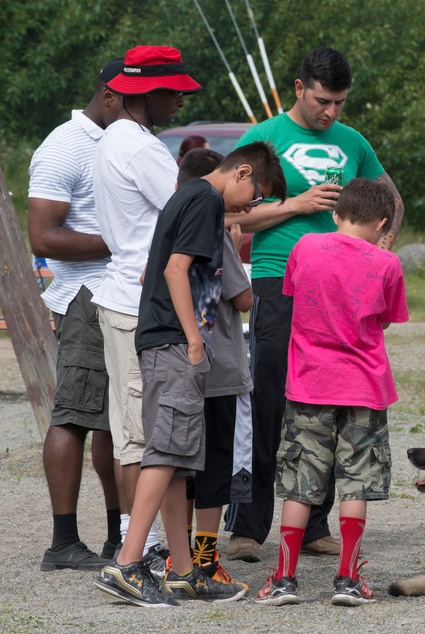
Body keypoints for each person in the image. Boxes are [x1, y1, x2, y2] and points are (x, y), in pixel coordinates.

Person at [226, 47, 405, 562]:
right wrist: (298, 206)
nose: (331, 113)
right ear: (299, 88)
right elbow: (232, 214)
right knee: (269, 400)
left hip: (339, 292)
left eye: (341, 103)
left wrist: (379, 253)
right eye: (323, 101)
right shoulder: (265, 139)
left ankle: (314, 524)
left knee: (331, 401)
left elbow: (391, 201)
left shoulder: (353, 142)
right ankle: (249, 524)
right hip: (278, 279)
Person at [94, 141, 287, 607]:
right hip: (173, 343)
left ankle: (185, 572)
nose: (251, 207)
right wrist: (194, 340)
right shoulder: (205, 199)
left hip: (163, 340)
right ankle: (127, 563)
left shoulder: (190, 196)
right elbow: (176, 271)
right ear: (242, 173)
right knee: (164, 451)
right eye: (256, 195)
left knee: (179, 459)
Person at [255, 178, 407, 607]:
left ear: (336, 214)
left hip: (309, 383)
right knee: (356, 483)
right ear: (383, 223)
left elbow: (292, 294)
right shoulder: (387, 263)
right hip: (364, 387)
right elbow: (388, 318)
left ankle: (284, 578)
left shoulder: (304, 247)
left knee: (301, 482)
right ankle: (348, 579)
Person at [92, 44, 202, 575]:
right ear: (151, 94)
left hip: (120, 298)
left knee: (133, 435)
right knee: (151, 441)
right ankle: (143, 554)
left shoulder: (115, 136)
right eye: (175, 94)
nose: (179, 104)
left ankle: (140, 546)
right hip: (143, 307)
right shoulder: (142, 150)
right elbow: (190, 208)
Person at [29, 57, 124, 572]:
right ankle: (63, 543)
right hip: (84, 296)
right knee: (73, 416)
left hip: (114, 294)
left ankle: (118, 535)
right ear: (109, 95)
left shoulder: (114, 141)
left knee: (113, 423)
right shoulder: (65, 145)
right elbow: (43, 237)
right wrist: (123, 240)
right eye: (133, 102)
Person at [166, 147, 252, 589]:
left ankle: (176, 556)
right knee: (215, 466)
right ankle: (205, 559)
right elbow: (242, 299)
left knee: (179, 465)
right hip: (218, 372)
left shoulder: (172, 224)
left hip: (182, 365)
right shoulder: (215, 231)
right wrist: (236, 248)